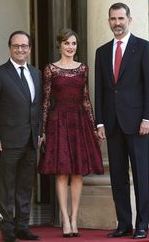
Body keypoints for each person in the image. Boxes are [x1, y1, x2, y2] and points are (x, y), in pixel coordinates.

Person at [94, 2, 149, 240]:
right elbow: (100, 89)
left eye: (121, 19)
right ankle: (124, 224)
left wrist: (148, 118)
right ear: (109, 21)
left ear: (129, 20)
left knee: (141, 176)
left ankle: (142, 225)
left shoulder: (143, 48)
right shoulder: (101, 52)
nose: (117, 23)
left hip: (138, 123)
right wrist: (99, 122)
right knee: (117, 177)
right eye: (113, 19)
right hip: (112, 124)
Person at [38, 29, 104, 238]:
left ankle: (75, 219)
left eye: (74, 43)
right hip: (58, 123)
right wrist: (42, 130)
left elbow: (86, 99)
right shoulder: (50, 69)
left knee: (77, 172)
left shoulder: (83, 69)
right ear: (59, 45)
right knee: (62, 172)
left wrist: (94, 128)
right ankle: (64, 220)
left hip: (79, 122)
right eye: (66, 43)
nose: (70, 47)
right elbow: (46, 101)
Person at [0, 31, 42, 242]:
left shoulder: (36, 74)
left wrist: (40, 133)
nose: (20, 49)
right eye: (16, 46)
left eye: (24, 46)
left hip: (31, 140)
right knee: (7, 186)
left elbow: (39, 107)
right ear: (10, 47)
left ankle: (22, 226)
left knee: (26, 186)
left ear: (29, 49)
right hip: (7, 139)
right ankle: (7, 227)